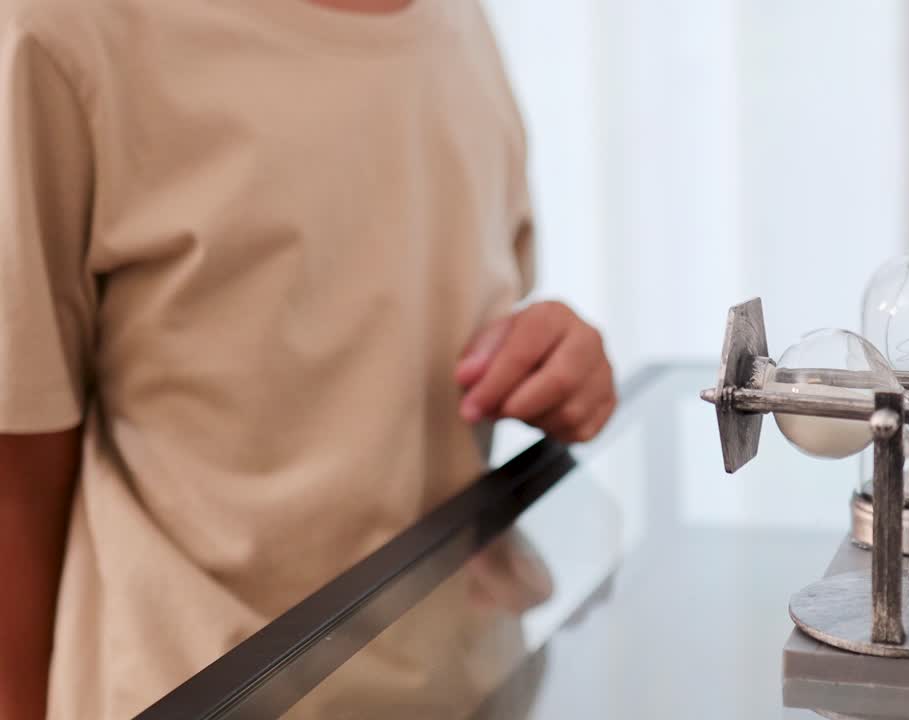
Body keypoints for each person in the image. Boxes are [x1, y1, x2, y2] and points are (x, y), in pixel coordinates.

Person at [0, 0, 616, 717]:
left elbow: (426, 312)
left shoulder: (461, 21)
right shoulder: (63, 25)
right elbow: (19, 451)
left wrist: (557, 361)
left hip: (473, 686)